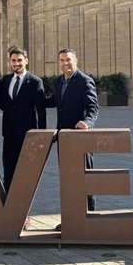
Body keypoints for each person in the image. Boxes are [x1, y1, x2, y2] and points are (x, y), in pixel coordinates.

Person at [45, 48, 99, 230]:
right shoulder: (59, 82)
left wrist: (87, 122)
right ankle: (71, 218)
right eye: (62, 60)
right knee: (68, 179)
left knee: (85, 178)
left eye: (68, 60)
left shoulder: (84, 81)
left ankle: (89, 216)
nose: (65, 63)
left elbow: (93, 108)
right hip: (64, 139)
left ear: (76, 61)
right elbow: (54, 101)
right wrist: (30, 97)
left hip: (80, 138)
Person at [0, 47, 46, 229]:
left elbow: (41, 111)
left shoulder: (36, 82)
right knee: (8, 174)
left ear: (26, 60)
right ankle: (10, 212)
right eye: (13, 61)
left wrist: (42, 136)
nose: (16, 64)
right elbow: (2, 103)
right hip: (9, 134)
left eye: (19, 60)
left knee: (25, 176)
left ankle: (25, 215)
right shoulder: (5, 80)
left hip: (28, 136)